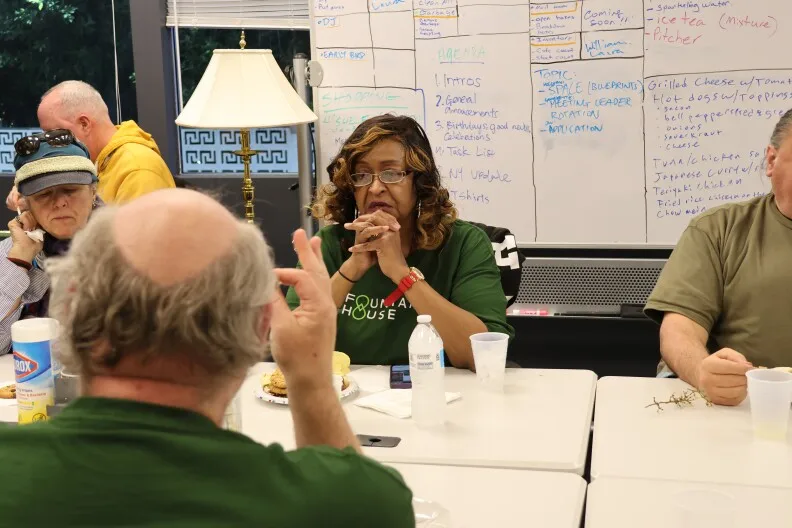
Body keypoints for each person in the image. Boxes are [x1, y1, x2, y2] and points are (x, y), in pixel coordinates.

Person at [0, 189, 414, 526]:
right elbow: (353, 492)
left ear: (67, 310)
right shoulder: (361, 505)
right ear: (259, 328)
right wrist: (309, 378)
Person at [288, 115, 514, 369]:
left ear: (419, 182)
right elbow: (291, 349)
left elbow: (482, 357)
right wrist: (352, 267)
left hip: (440, 395)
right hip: (347, 398)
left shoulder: (464, 244)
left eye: (391, 173)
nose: (374, 188)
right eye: (361, 175)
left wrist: (401, 273)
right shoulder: (328, 244)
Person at [644, 109, 792, 406]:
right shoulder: (718, 230)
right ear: (772, 160)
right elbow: (679, 331)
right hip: (735, 407)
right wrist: (701, 371)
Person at [0, 131, 100, 354]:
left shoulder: (126, 246)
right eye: (44, 194)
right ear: (24, 204)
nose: (60, 203)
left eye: (70, 190)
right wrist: (19, 262)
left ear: (93, 191)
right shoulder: (11, 254)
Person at [6, 80, 174, 209]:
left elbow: (136, 248)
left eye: (55, 133)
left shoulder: (137, 168)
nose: (50, 143)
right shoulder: (97, 161)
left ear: (84, 124)